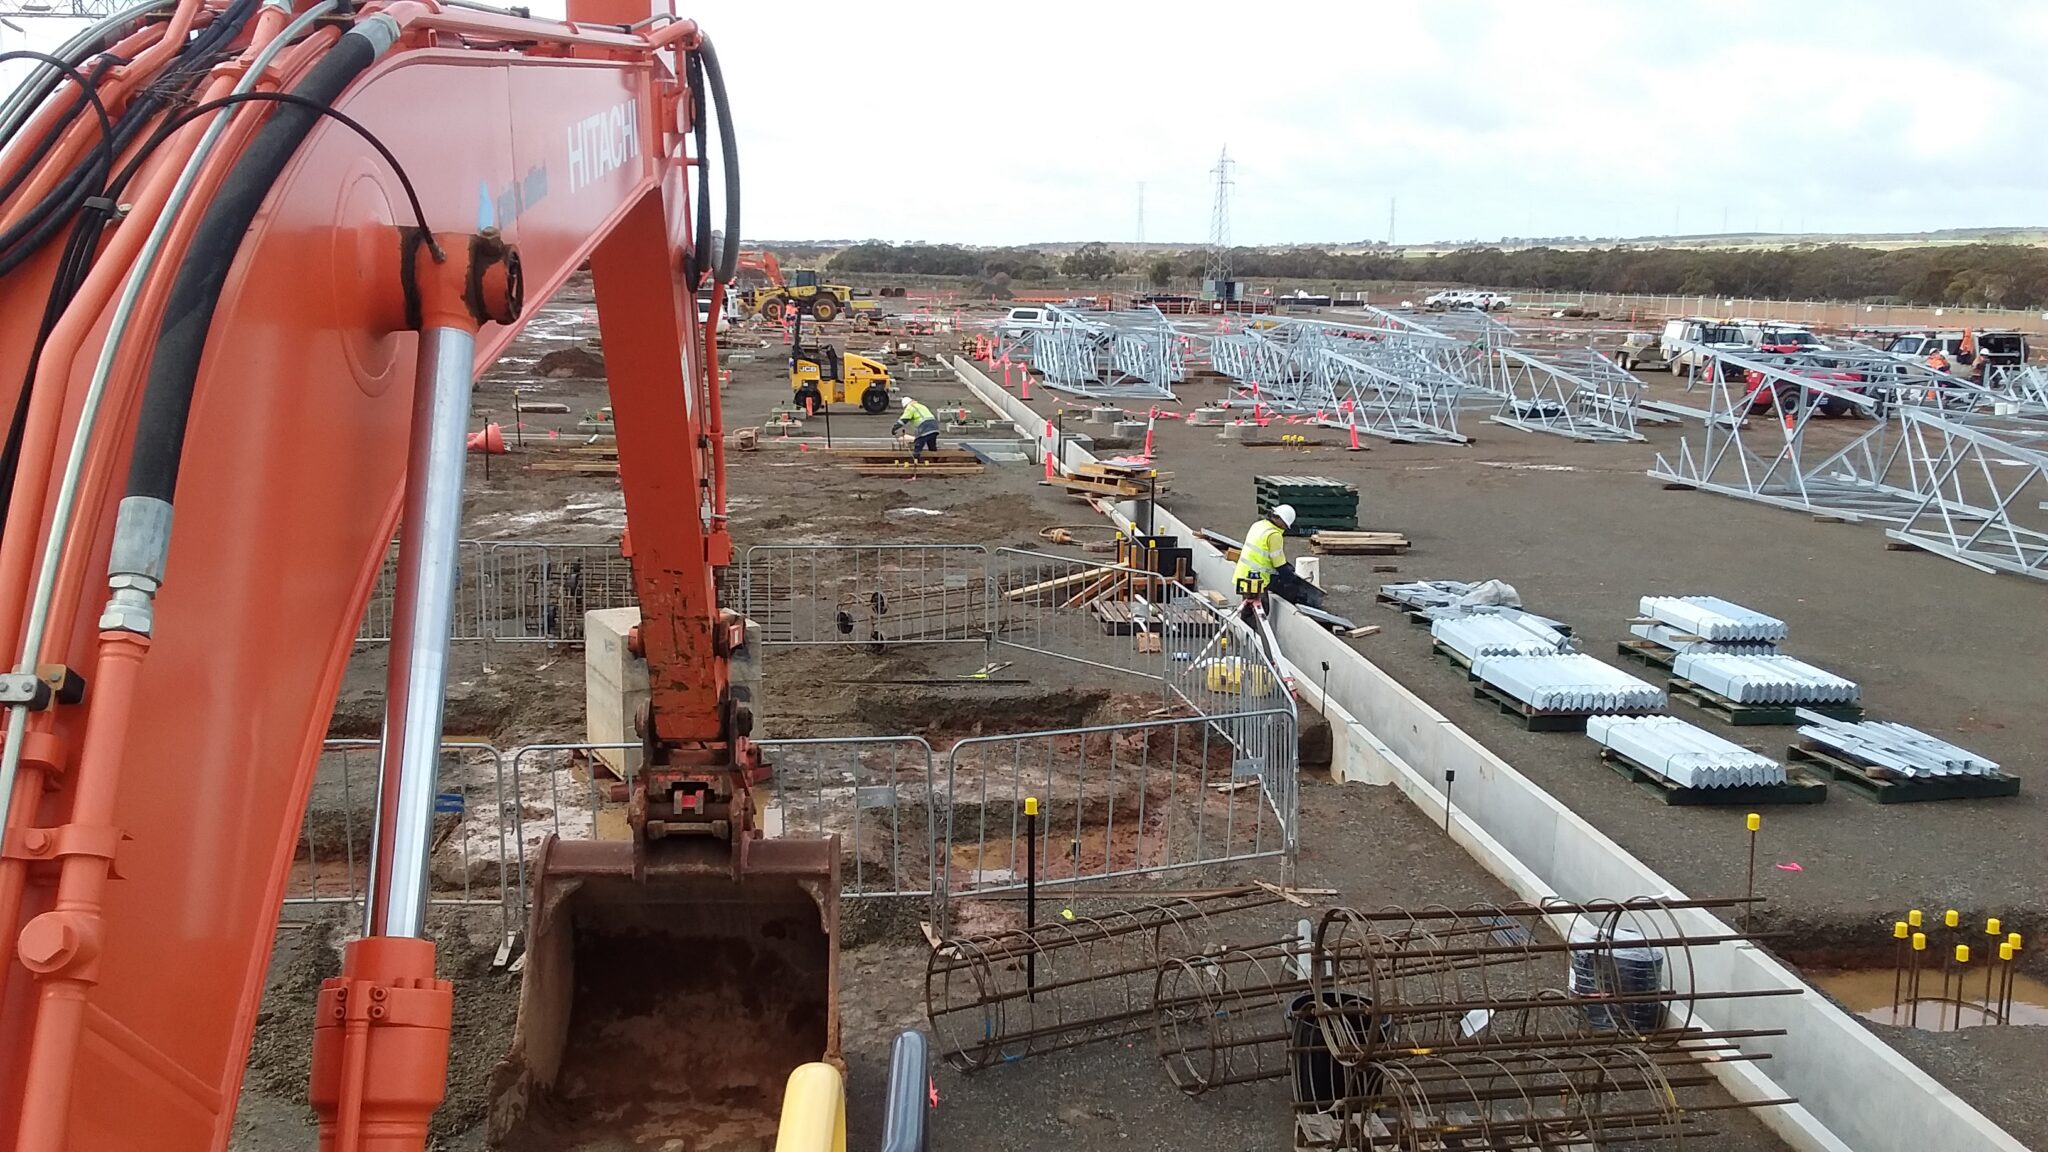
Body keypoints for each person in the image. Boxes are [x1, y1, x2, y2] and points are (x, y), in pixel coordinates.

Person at [1232, 504, 1296, 611]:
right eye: (1285, 525)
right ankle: (1252, 628)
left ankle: (1245, 627)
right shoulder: (1274, 534)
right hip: (1256, 579)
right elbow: (1278, 563)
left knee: (1248, 609)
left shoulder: (1259, 525)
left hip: (1243, 574)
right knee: (1261, 610)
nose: (1285, 528)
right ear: (1280, 520)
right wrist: (1289, 577)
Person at [892, 395, 939, 461]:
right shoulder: (921, 405)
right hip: (934, 426)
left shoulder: (910, 407)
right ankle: (936, 461)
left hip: (925, 426)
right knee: (932, 446)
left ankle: (915, 461)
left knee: (918, 444)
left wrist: (894, 428)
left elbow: (903, 420)